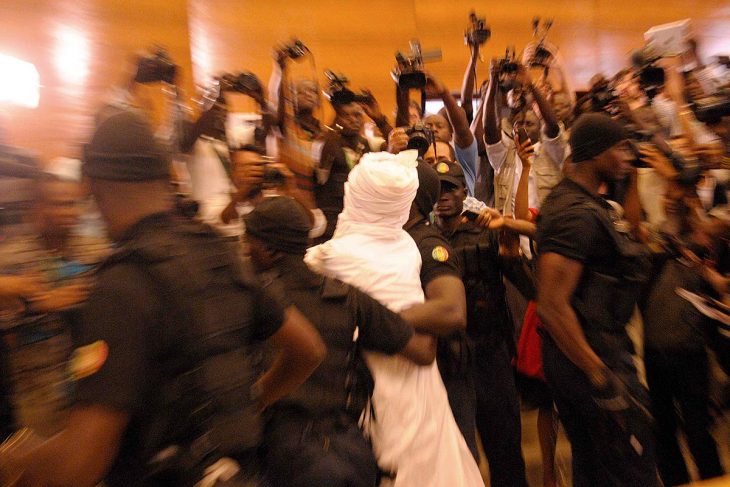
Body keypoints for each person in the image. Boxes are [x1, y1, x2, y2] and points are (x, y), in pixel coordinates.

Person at [0, 110, 326, 487]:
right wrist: (247, 404)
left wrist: (14, 465)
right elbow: (307, 350)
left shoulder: (122, 282)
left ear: (91, 185)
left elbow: (82, 462)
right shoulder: (221, 252)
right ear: (165, 177)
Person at [305, 150, 484, 487]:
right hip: (407, 384)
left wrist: (373, 320)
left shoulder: (414, 244)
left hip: (400, 380)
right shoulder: (400, 244)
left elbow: (448, 314)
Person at [244, 195, 436, 487]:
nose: (244, 251)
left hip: (284, 457)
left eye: (249, 243)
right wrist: (409, 292)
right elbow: (422, 352)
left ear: (270, 250)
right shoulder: (347, 297)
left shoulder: (252, 304)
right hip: (350, 450)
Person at [536, 113, 659, 486]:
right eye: (620, 147)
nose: (629, 155)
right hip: (593, 360)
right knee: (630, 470)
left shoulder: (583, 203)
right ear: (593, 154)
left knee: (597, 470)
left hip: (593, 353)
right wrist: (600, 376)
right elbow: (552, 306)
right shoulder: (576, 214)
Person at [434, 161, 535, 487]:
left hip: (491, 354)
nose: (444, 196)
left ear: (465, 192)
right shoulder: (423, 238)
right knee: (457, 455)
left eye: (451, 188)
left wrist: (512, 257)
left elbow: (528, 288)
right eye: (437, 190)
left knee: (505, 448)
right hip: (448, 359)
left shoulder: (487, 231)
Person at [0, 159, 109, 438]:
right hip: (37, 391)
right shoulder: (12, 258)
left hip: (91, 388)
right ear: (36, 208)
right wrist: (34, 301)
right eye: (59, 204)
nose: (69, 212)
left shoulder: (95, 251)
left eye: (73, 204)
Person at [402, 161, 473, 456]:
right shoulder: (405, 240)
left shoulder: (427, 243)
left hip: (447, 365)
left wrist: (374, 318)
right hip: (422, 372)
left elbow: (452, 312)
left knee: (457, 455)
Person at [484, 61, 567, 213]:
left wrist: (531, 85)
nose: (523, 127)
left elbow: (553, 126)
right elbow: (490, 131)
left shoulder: (553, 151)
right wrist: (493, 84)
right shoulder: (503, 156)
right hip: (512, 233)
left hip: (546, 229)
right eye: (519, 124)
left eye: (529, 123)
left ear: (539, 128)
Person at [314, 99, 370, 243]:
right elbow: (321, 179)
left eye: (357, 115)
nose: (353, 120)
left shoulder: (364, 143)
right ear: (338, 118)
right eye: (347, 116)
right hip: (332, 212)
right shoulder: (328, 141)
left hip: (358, 212)